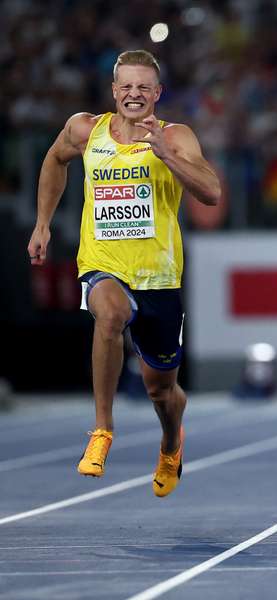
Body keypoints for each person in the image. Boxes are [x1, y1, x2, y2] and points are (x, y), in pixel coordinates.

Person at [27, 50, 221, 497]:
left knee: (161, 392)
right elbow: (55, 161)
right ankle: (101, 431)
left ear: (157, 93)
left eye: (143, 87)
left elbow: (211, 192)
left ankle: (172, 440)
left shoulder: (176, 135)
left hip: (160, 278)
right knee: (109, 315)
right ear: (114, 91)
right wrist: (42, 224)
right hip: (103, 264)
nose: (134, 94)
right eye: (126, 87)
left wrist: (168, 156)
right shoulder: (85, 129)